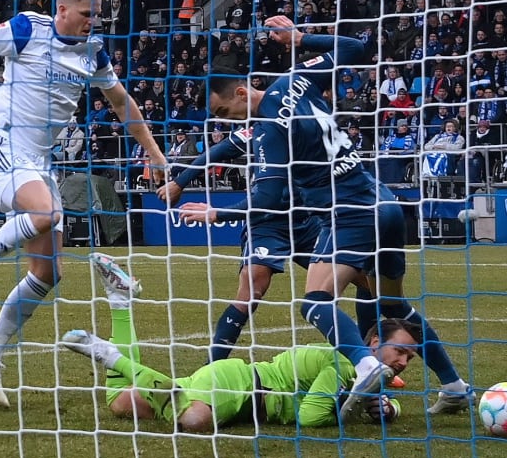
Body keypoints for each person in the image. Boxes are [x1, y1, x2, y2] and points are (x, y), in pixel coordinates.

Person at [187, 16, 472, 420]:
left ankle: (365, 363)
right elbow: (356, 48)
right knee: (393, 302)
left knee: (315, 301)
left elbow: (267, 201)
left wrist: (217, 212)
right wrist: (301, 38)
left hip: (349, 212)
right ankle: (455, 386)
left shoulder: (269, 128)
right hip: (385, 203)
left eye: (225, 112)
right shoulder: (293, 79)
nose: (228, 121)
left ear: (238, 92)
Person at [0, 0, 166, 408]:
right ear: (62, 10)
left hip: (40, 163)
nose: (93, 22)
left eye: (97, 15)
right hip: (4, 146)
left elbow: (122, 101)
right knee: (47, 212)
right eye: (86, 14)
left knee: (48, 273)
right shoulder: (29, 28)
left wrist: (155, 154)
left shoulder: (94, 51)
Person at [61, 254, 422, 431]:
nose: (403, 362)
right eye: (399, 351)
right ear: (372, 342)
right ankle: (109, 355)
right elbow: (311, 418)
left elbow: (380, 400)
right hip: (243, 386)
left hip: (238, 386)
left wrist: (389, 410)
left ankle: (120, 302)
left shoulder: (368, 374)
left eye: (410, 358)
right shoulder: (344, 365)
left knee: (120, 403)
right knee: (194, 420)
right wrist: (349, 408)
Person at [157, 126, 379, 364]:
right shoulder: (260, 129)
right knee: (252, 288)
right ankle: (209, 371)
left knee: (367, 280)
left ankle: (368, 357)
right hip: (266, 224)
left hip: (308, 220)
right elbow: (218, 151)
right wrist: (179, 183)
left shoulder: (314, 128)